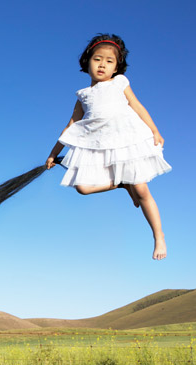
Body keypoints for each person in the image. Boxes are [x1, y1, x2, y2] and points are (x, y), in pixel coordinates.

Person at [46, 34, 171, 260]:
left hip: (126, 140)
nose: (102, 64)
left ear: (116, 67)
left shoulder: (120, 83)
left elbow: (137, 106)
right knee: (82, 188)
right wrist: (54, 153)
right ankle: (122, 184)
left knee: (142, 190)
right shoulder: (83, 96)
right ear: (87, 62)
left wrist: (154, 129)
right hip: (99, 144)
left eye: (109, 61)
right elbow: (71, 126)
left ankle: (158, 236)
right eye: (97, 59)